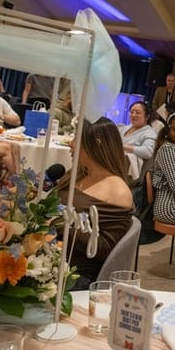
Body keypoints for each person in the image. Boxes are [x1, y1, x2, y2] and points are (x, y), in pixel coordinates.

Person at [54, 118, 134, 290]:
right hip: (54, 259)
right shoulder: (77, 174)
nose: (70, 144)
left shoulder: (117, 191)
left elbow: (104, 249)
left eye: (76, 138)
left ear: (96, 143)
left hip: (77, 275)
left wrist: (60, 225)